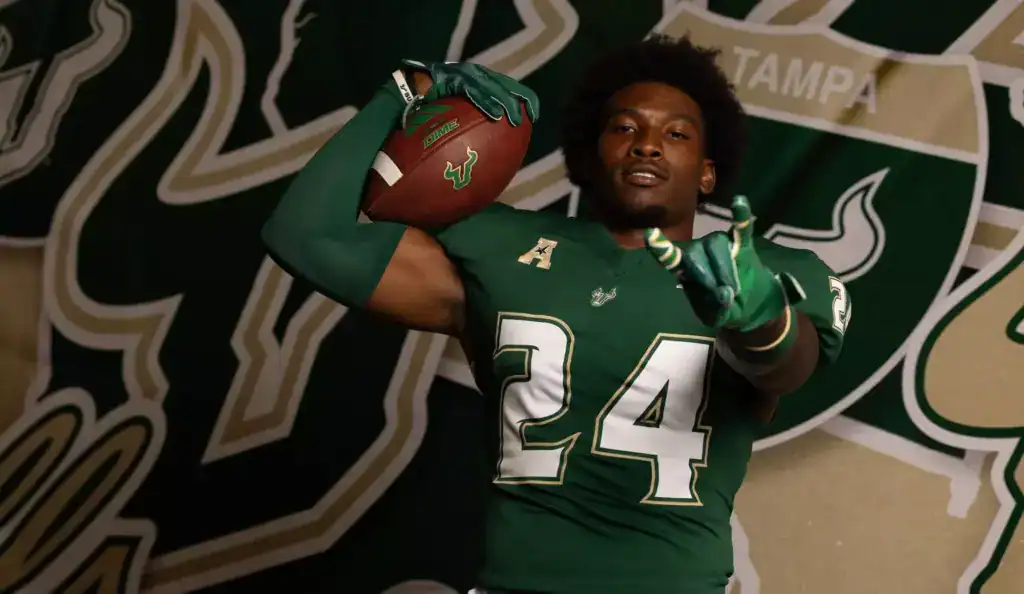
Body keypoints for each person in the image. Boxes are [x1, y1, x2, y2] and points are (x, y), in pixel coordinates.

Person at [262, 34, 850, 594]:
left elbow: (787, 370)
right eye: (625, 127)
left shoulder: (759, 272)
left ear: (707, 171)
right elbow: (306, 236)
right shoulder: (497, 247)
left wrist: (760, 318)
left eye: (676, 134)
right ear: (588, 155)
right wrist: (402, 92)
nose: (647, 143)